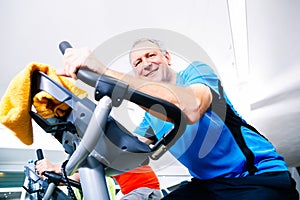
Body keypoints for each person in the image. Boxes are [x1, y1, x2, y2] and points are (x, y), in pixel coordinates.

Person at [58, 38, 299, 199]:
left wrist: (104, 71)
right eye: (138, 63)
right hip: (209, 185)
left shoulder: (196, 72)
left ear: (167, 58)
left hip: (258, 177)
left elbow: (190, 108)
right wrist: (69, 169)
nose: (145, 64)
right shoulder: (150, 118)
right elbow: (125, 153)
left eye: (150, 55)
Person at [36, 159, 162, 200]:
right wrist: (54, 178)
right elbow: (77, 177)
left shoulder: (105, 146)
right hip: (139, 192)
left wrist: (55, 167)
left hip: (145, 192)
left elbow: (88, 162)